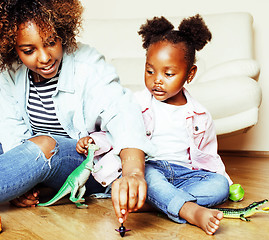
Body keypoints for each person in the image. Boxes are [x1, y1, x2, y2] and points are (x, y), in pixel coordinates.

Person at [0, 0, 154, 224]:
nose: (44, 57)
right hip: (29, 159)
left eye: (51, 42)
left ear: (63, 32)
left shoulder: (88, 63)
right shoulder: (9, 70)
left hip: (82, 162)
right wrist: (20, 184)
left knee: (45, 144)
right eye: (29, 50)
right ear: (12, 46)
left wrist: (133, 173)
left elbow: (122, 111)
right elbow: (10, 131)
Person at [135, 15, 233, 235]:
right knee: (146, 176)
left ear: (190, 74)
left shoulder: (200, 115)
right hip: (150, 167)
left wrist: (223, 179)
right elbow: (115, 132)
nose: (157, 80)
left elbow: (209, 155)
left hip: (185, 175)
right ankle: (188, 210)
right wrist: (95, 140)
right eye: (150, 71)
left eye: (168, 74)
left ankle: (156, 200)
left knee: (220, 187)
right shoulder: (135, 104)